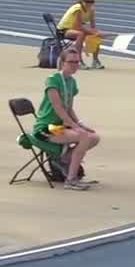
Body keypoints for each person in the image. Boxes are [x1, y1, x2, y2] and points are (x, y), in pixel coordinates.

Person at [33, 49, 99, 190]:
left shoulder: (71, 82)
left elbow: (69, 108)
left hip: (61, 127)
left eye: (77, 62)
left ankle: (63, 160)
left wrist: (80, 124)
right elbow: (58, 108)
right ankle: (71, 179)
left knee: (94, 137)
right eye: (71, 62)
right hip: (46, 128)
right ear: (62, 63)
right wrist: (75, 127)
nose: (74, 65)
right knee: (83, 137)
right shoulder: (53, 80)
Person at [57, 0, 104, 69]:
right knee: (80, 34)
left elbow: (93, 26)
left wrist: (96, 33)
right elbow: (78, 26)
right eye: (87, 2)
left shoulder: (91, 10)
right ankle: (79, 61)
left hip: (75, 29)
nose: (89, 4)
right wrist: (93, 32)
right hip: (64, 30)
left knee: (96, 35)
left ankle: (95, 61)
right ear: (82, 1)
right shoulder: (78, 8)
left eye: (92, 2)